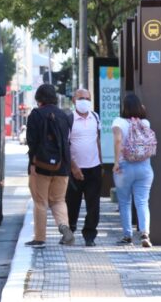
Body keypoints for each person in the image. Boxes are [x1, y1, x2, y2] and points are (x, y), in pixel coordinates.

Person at [25, 83, 73, 248]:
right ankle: (64, 227)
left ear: (39, 99)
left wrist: (32, 163)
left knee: (40, 202)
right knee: (59, 200)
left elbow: (32, 142)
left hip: (40, 166)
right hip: (62, 166)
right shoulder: (64, 116)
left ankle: (40, 238)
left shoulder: (36, 115)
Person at [113, 93, 154, 247]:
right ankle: (145, 234)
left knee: (124, 202)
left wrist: (116, 162)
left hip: (125, 167)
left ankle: (127, 235)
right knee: (143, 201)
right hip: (145, 167)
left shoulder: (118, 122)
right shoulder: (145, 122)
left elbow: (118, 140)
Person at [66, 88, 102, 247]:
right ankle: (69, 232)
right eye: (81, 98)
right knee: (72, 204)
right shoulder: (69, 119)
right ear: (74, 100)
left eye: (87, 98)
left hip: (93, 168)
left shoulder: (95, 117)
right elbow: (65, 146)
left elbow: (98, 141)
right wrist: (73, 167)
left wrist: (100, 163)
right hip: (74, 169)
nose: (84, 101)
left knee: (93, 205)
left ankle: (90, 235)